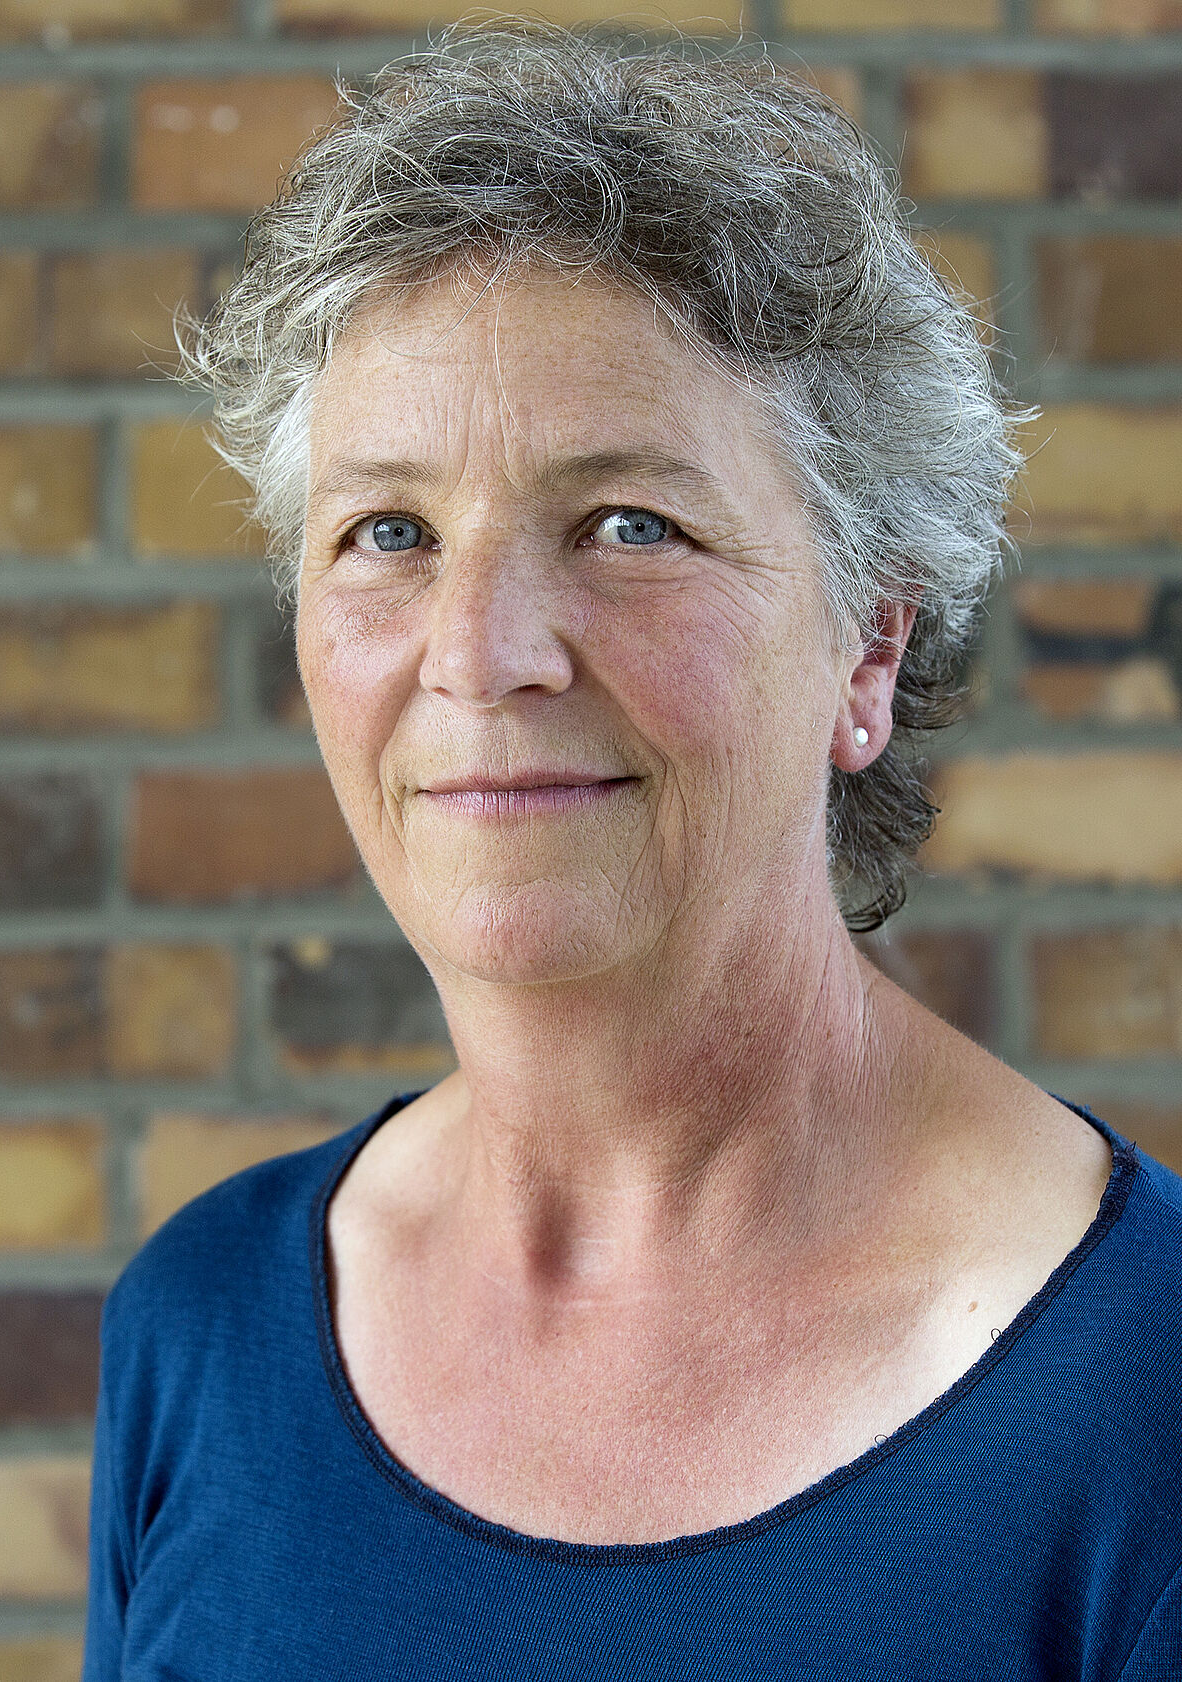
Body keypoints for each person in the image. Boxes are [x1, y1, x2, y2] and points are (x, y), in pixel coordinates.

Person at [83, 19, 1182, 1679]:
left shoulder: (1144, 1395)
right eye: (390, 531)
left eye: (627, 525)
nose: (477, 652)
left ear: (867, 649)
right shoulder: (204, 1328)